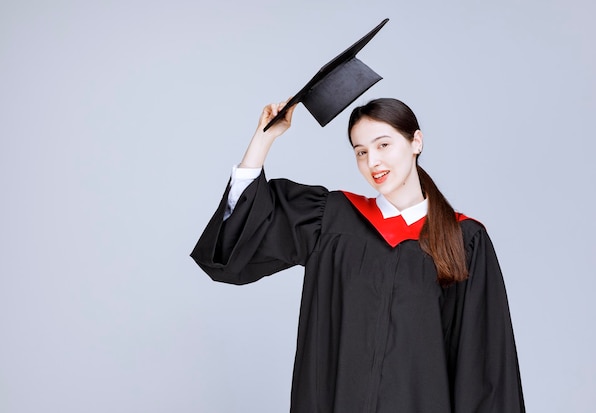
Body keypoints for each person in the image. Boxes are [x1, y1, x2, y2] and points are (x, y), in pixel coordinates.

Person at [191, 98, 525, 412]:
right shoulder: (331, 219)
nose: (373, 162)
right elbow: (240, 238)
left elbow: (483, 365)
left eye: (383, 145)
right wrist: (263, 141)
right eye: (360, 151)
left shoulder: (463, 239)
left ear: (416, 142)